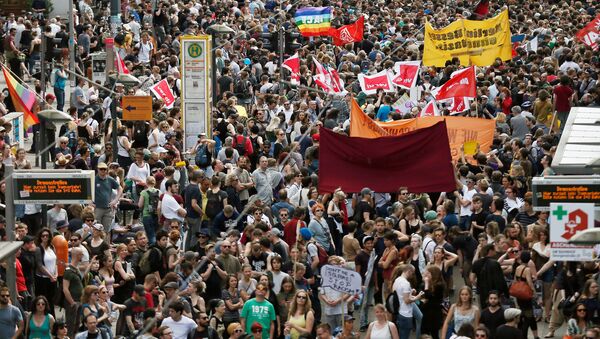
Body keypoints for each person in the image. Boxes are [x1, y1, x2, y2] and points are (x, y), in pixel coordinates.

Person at [392, 264, 424, 339]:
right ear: (409, 271)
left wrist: (410, 292)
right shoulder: (406, 283)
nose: (412, 276)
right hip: (406, 314)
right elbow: (407, 300)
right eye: (412, 273)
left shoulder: (397, 280)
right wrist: (417, 297)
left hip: (400, 311)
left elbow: (398, 294)